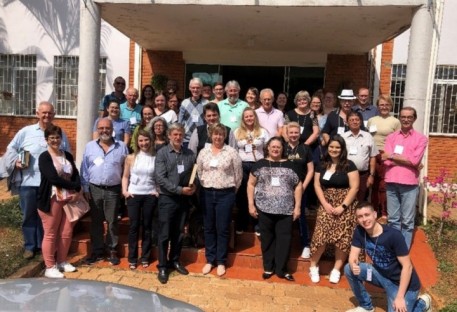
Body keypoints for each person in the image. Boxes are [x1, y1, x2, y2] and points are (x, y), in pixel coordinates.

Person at [7, 101, 71, 259]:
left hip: (50, 184)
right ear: (37, 114)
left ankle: (44, 246)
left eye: (50, 113)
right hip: (29, 181)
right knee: (28, 214)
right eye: (44, 113)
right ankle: (30, 246)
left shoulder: (59, 133)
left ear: (54, 114)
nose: (47, 116)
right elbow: (11, 148)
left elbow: (67, 154)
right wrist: (15, 161)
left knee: (48, 217)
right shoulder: (26, 132)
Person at [344, 202, 432, 312]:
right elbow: (353, 254)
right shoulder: (359, 231)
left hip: (404, 285)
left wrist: (400, 297)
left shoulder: (393, 235)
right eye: (360, 216)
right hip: (381, 274)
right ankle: (366, 306)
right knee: (348, 269)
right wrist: (353, 263)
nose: (364, 219)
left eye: (367, 215)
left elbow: (407, 267)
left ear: (375, 215)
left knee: (400, 307)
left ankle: (422, 303)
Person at [247, 137, 302, 282]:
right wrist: (251, 204)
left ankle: (282, 269)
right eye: (273, 147)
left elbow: (298, 186)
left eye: (278, 147)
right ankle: (268, 267)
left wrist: (297, 207)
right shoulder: (260, 164)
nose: (276, 149)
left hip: (285, 210)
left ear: (282, 149)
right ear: (268, 148)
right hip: (264, 209)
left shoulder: (291, 165)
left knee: (284, 240)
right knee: (267, 239)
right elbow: (251, 184)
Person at [309, 135, 359, 284]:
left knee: (342, 238)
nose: (334, 150)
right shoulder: (322, 164)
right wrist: (324, 203)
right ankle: (313, 266)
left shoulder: (349, 165)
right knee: (321, 235)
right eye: (331, 147)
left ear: (342, 149)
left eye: (337, 147)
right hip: (326, 203)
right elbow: (317, 185)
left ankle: (337, 269)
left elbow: (355, 187)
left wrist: (343, 206)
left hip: (345, 205)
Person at [81, 118, 129, 266]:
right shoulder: (90, 146)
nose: (104, 131)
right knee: (96, 222)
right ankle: (97, 251)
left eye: (107, 128)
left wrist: (124, 187)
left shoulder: (121, 146)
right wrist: (85, 187)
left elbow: (127, 169)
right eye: (101, 128)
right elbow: (84, 168)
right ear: (97, 129)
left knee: (112, 221)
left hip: (113, 189)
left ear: (112, 129)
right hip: (94, 189)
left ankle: (112, 250)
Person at [197, 123, 242, 276]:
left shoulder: (231, 152)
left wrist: (231, 190)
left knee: (222, 228)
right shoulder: (204, 152)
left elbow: (238, 175)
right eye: (215, 134)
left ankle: (221, 261)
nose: (218, 137)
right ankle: (210, 260)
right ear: (211, 135)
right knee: (209, 227)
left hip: (225, 194)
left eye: (221, 134)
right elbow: (199, 171)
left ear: (225, 136)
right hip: (207, 193)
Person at [154, 123, 197, 284]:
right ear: (169, 136)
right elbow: (160, 178)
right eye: (175, 134)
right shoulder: (162, 153)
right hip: (167, 199)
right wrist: (179, 190)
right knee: (164, 234)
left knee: (179, 233)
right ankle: (163, 266)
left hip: (184, 200)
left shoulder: (189, 154)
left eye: (180, 134)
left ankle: (175, 260)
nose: (178, 137)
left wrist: (193, 186)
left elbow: (194, 173)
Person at [37, 125, 81, 278]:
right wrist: (74, 186)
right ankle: (50, 266)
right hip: (52, 198)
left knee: (66, 232)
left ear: (61, 138)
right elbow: (53, 178)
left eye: (57, 137)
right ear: (47, 140)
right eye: (52, 138)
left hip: (68, 199)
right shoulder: (44, 157)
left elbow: (75, 173)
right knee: (51, 232)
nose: (55, 140)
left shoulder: (67, 155)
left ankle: (62, 261)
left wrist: (77, 187)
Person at [382, 107, 427, 250]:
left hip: (409, 183)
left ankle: (404, 250)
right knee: (393, 219)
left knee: (407, 221)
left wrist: (392, 156)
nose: (406, 119)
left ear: (414, 118)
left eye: (409, 117)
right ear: (399, 118)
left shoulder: (421, 139)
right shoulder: (391, 137)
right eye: (403, 116)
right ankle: (395, 247)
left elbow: (415, 160)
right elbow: (385, 160)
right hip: (391, 181)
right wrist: (408, 161)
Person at [122, 130, 158, 269]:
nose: (144, 143)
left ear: (151, 140)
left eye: (146, 140)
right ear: (137, 142)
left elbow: (159, 177)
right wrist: (125, 192)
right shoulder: (130, 157)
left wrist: (157, 191)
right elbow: (125, 176)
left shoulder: (156, 157)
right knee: (134, 227)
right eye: (141, 140)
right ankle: (132, 258)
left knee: (148, 227)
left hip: (149, 194)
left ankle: (145, 256)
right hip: (134, 195)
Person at [233, 107, 270, 234]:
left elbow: (268, 148)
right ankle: (242, 223)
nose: (249, 118)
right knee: (242, 194)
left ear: (255, 117)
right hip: (242, 164)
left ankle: (257, 224)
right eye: (246, 116)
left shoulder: (262, 131)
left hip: (258, 164)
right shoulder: (237, 132)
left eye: (251, 116)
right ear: (243, 119)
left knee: (258, 194)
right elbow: (234, 149)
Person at [367, 95, 401, 222]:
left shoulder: (395, 122)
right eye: (381, 104)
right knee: (374, 185)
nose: (384, 107)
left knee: (384, 186)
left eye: (387, 104)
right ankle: (374, 211)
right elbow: (369, 138)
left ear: (391, 106)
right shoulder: (372, 120)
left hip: (386, 156)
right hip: (373, 155)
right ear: (378, 106)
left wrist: (393, 157)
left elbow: (399, 141)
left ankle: (385, 213)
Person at [283, 122, 314, 259]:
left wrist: (303, 186)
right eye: (291, 132)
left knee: (300, 216)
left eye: (296, 133)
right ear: (287, 134)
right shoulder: (282, 148)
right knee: (285, 217)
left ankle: (306, 245)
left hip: (301, 188)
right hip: (283, 189)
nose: (294, 135)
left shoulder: (305, 148)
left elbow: (311, 170)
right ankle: (284, 244)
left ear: (299, 134)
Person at [342, 111, 378, 203]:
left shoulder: (368, 136)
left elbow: (373, 156)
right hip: (346, 174)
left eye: (357, 120)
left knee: (361, 199)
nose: (354, 122)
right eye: (352, 120)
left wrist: (371, 175)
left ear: (361, 122)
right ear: (347, 122)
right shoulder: (343, 137)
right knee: (347, 199)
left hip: (363, 175)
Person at [178, 77, 208, 148]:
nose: (195, 90)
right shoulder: (185, 103)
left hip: (201, 138)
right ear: (189, 88)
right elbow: (180, 122)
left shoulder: (206, 103)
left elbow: (207, 122)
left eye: (198, 88)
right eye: (193, 87)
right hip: (186, 139)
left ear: (201, 89)